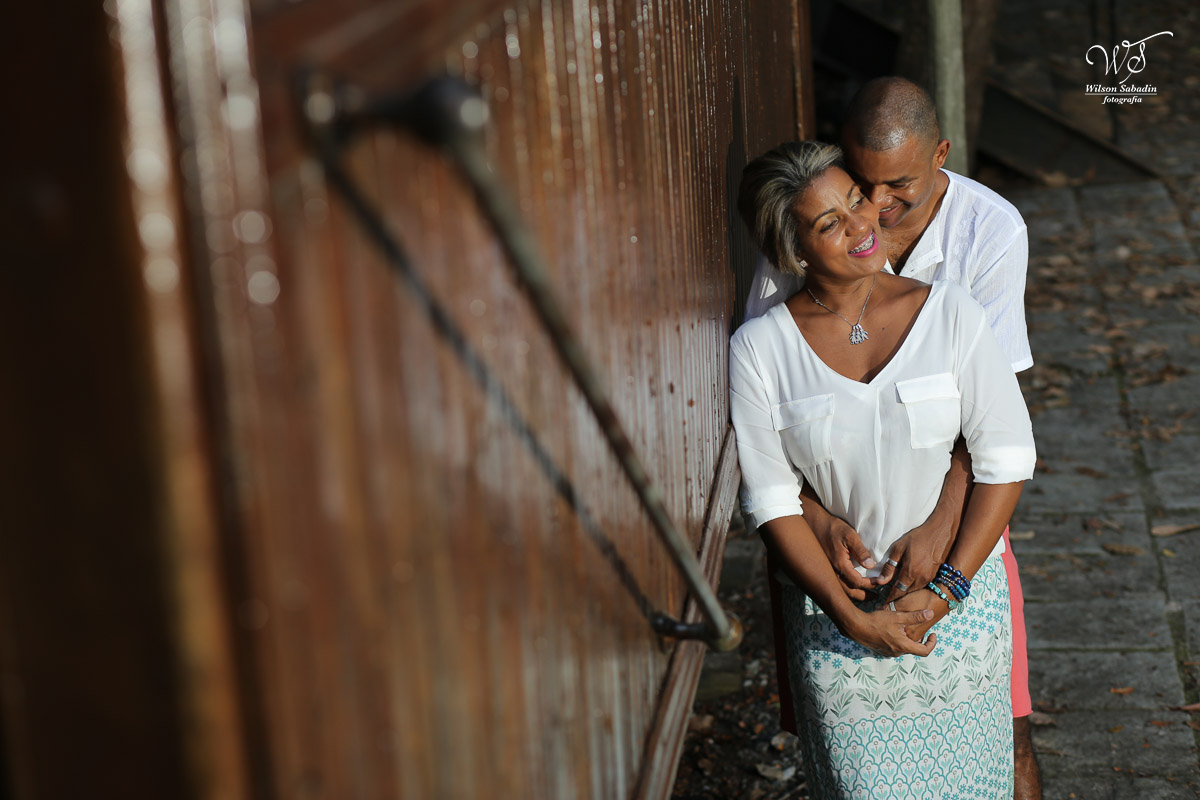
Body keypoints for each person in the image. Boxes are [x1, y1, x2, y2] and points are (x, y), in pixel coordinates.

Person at [746, 77, 1042, 799]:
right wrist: (822, 532)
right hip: (836, 574)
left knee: (1008, 739)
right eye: (857, 188)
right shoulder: (764, 333)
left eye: (894, 189)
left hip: (963, 533)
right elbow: (771, 467)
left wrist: (945, 556)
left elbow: (997, 438)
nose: (873, 211)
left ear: (941, 154)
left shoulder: (986, 237)